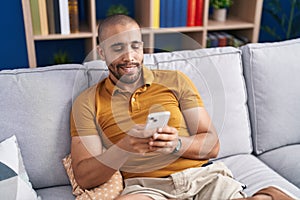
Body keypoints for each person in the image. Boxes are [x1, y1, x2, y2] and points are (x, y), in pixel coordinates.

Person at [70, 14, 293, 200]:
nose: (129, 57)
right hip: (145, 188)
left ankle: (267, 194)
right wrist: (125, 147)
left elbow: (212, 145)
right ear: (101, 52)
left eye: (135, 46)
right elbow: (85, 176)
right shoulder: (87, 102)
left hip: (201, 178)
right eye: (117, 47)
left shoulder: (175, 80)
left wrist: (176, 144)